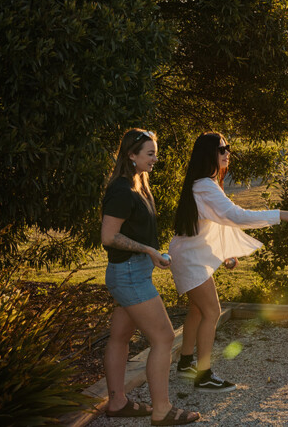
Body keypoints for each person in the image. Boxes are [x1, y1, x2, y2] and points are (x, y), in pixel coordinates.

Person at [169, 132, 288, 392]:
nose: (227, 153)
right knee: (212, 312)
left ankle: (186, 364)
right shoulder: (205, 185)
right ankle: (204, 374)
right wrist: (280, 214)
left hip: (187, 256)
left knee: (198, 310)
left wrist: (226, 253)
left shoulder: (202, 183)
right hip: (190, 260)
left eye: (226, 148)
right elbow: (236, 216)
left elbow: (217, 222)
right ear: (209, 154)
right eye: (222, 149)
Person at [101, 129, 199, 425]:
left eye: (155, 152)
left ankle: (117, 403)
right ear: (131, 155)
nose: (156, 158)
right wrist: (147, 249)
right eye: (150, 153)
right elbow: (108, 236)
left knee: (119, 336)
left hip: (132, 271)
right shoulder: (121, 189)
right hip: (129, 274)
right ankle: (162, 410)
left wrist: (153, 253)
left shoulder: (137, 185)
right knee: (164, 337)